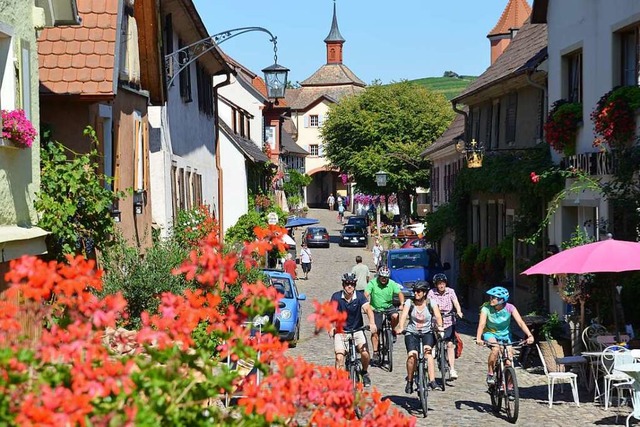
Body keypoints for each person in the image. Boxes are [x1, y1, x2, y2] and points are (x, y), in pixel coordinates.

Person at [475, 286, 534, 388]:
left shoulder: (510, 308)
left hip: (505, 335)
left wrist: (529, 335)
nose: (491, 299)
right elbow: (482, 324)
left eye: (494, 298)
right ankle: (490, 374)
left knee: (509, 362)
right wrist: (478, 338)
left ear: (502, 300)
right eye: (491, 297)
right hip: (490, 334)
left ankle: (509, 387)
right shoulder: (486, 308)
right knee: (495, 349)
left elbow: (520, 322)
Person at [395, 281, 444, 393]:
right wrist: (401, 327)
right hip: (412, 333)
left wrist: (440, 327)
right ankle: (410, 381)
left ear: (425, 293)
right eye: (415, 291)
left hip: (427, 332)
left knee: (428, 353)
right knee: (412, 356)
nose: (416, 293)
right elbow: (403, 316)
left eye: (419, 291)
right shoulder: (409, 303)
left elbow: (437, 315)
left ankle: (432, 381)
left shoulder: (430, 303)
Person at [330, 273, 376, 387]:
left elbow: (368, 309)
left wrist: (372, 323)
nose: (349, 286)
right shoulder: (336, 297)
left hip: (357, 329)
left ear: (355, 285)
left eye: (352, 284)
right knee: (339, 357)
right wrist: (331, 327)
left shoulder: (359, 296)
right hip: (341, 331)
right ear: (343, 285)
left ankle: (364, 372)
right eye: (347, 284)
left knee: (365, 353)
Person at [427, 273, 463, 380]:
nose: (441, 285)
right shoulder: (431, 293)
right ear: (436, 285)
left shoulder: (450, 291)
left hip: (448, 320)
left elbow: (455, 302)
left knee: (450, 344)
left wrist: (459, 311)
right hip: (436, 321)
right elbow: (429, 305)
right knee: (435, 337)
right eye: (439, 284)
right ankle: (434, 346)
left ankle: (452, 369)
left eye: (442, 283)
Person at [364, 266, 404, 363]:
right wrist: (365, 305)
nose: (383, 279)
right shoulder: (373, 283)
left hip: (388, 306)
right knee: (375, 331)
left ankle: (393, 330)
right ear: (379, 276)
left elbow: (400, 293)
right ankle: (376, 352)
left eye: (385, 278)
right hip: (376, 308)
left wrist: (402, 304)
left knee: (395, 316)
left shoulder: (392, 283)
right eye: (382, 277)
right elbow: (366, 294)